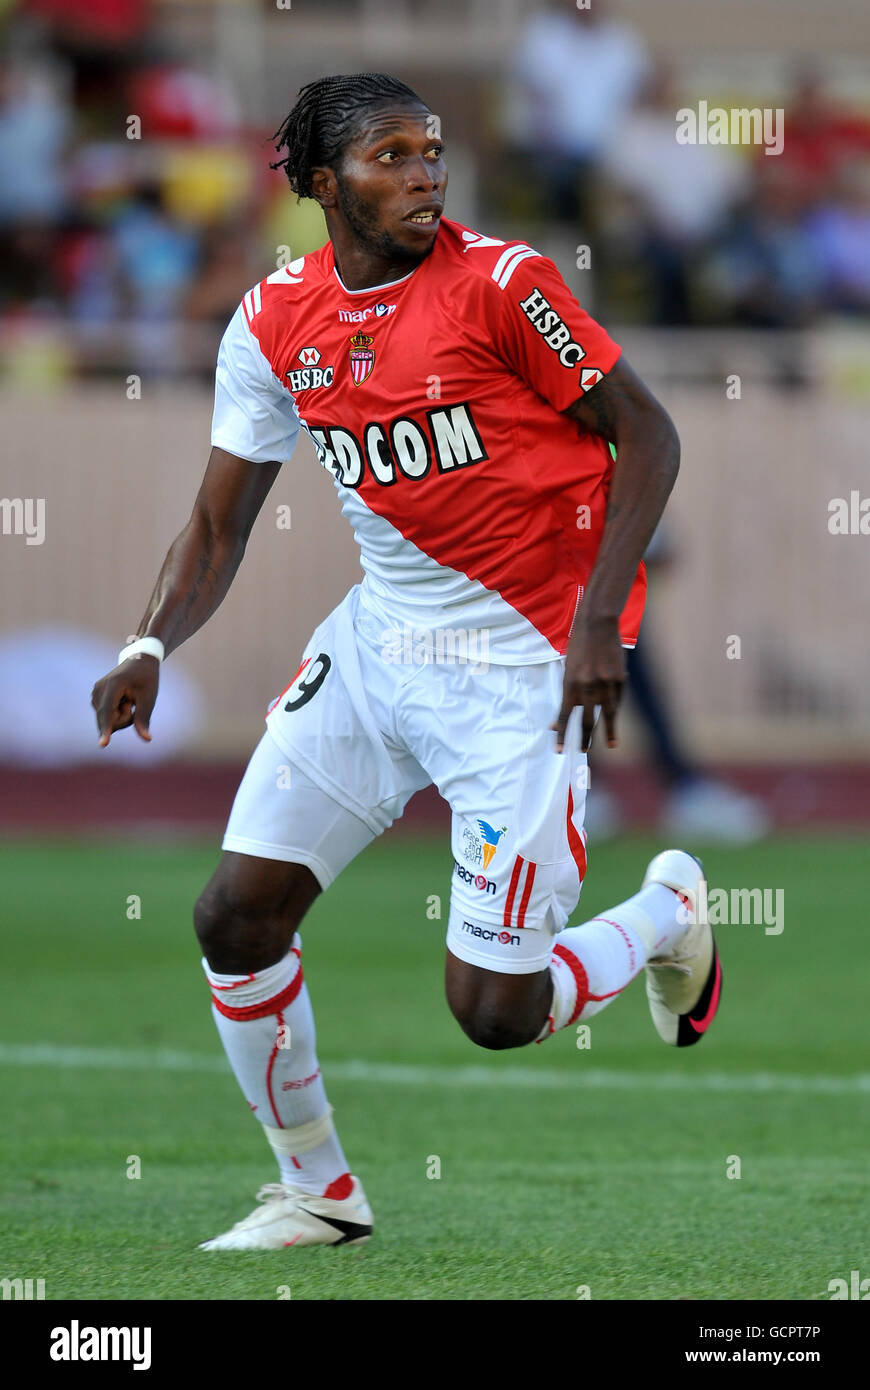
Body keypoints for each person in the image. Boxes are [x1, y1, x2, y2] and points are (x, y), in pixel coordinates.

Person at [91, 73, 722, 1252]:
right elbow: (219, 524)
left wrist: (598, 620)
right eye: (391, 156)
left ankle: (669, 908)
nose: (425, 173)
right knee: (234, 917)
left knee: (494, 1011)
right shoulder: (275, 321)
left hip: (525, 659)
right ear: (323, 184)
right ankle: (318, 1190)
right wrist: (148, 641)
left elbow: (648, 431)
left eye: (432, 151)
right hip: (380, 644)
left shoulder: (503, 285)